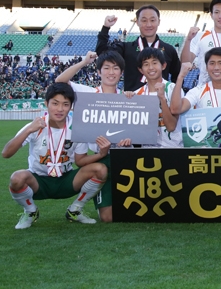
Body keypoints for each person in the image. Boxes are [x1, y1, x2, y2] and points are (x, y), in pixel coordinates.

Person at [2, 82, 108, 229]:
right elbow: (6, 153)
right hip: (38, 181)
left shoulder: (76, 128)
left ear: (71, 106)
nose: (60, 109)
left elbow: (80, 161)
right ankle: (31, 211)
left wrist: (102, 154)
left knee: (100, 169)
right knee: (17, 178)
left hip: (66, 180)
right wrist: (28, 131)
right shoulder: (36, 126)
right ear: (46, 103)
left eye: (65, 104)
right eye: (55, 103)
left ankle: (75, 209)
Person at [55, 50, 130, 222]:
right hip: (100, 158)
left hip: (124, 157)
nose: (111, 72)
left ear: (121, 72)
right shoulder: (86, 93)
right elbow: (60, 81)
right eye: (107, 68)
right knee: (107, 218)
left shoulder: (128, 97)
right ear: (98, 72)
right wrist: (83, 62)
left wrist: (129, 141)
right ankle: (81, 206)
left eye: (116, 68)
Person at [96, 5, 180, 91]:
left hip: (161, 101)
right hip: (133, 101)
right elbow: (102, 53)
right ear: (137, 22)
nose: (148, 24)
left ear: (158, 22)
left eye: (152, 20)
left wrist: (173, 95)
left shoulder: (169, 50)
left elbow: (177, 75)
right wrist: (106, 28)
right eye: (144, 20)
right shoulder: (126, 48)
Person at [171, 47, 221, 114]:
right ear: (206, 67)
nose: (216, 67)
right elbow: (175, 110)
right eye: (212, 63)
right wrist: (180, 77)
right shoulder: (198, 92)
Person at [134, 48, 181, 147]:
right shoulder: (137, 95)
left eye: (154, 63)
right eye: (146, 64)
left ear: (163, 66)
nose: (151, 67)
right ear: (141, 70)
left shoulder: (174, 89)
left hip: (174, 149)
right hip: (148, 152)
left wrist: (162, 98)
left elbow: (171, 127)